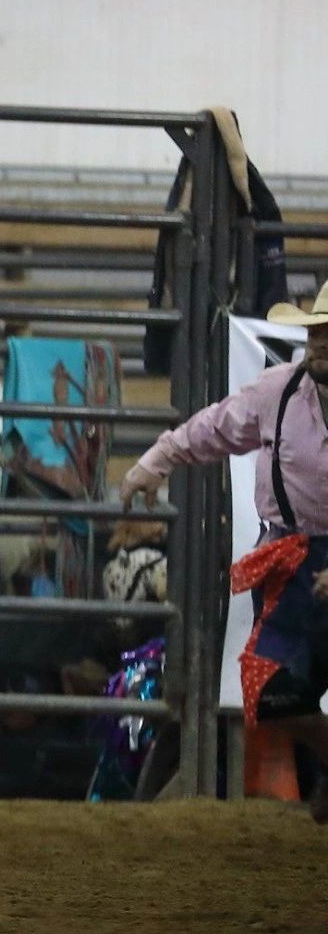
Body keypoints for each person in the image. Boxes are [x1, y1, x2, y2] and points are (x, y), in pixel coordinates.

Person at [121, 286, 328, 825]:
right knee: (272, 686)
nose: (319, 344)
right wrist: (158, 458)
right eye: (315, 332)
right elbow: (214, 427)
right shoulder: (278, 391)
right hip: (292, 558)